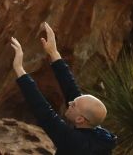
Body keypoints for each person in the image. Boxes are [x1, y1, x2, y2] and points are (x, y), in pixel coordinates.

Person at [10, 22, 118, 154]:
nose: (70, 102)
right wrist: (53, 52)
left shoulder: (75, 143)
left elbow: (43, 112)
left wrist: (19, 69)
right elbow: (71, 89)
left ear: (80, 119)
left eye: (73, 105)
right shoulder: (99, 136)